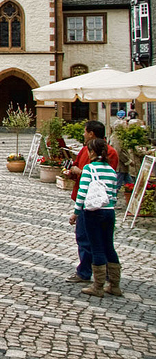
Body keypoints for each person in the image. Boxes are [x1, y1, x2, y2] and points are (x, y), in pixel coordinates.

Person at [65, 120, 119, 285]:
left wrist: (76, 211)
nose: (83, 134)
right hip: (106, 208)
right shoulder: (84, 150)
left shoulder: (110, 153)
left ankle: (96, 278)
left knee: (94, 242)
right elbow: (113, 188)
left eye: (85, 131)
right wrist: (72, 172)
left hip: (92, 205)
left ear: (91, 133)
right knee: (89, 240)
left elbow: (93, 185)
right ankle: (105, 279)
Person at [73, 137, 122, 297]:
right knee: (109, 246)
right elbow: (114, 195)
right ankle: (114, 285)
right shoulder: (111, 171)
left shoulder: (89, 168)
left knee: (96, 247)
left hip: (93, 212)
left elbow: (82, 193)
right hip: (109, 211)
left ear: (92, 152)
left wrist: (76, 212)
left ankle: (98, 286)